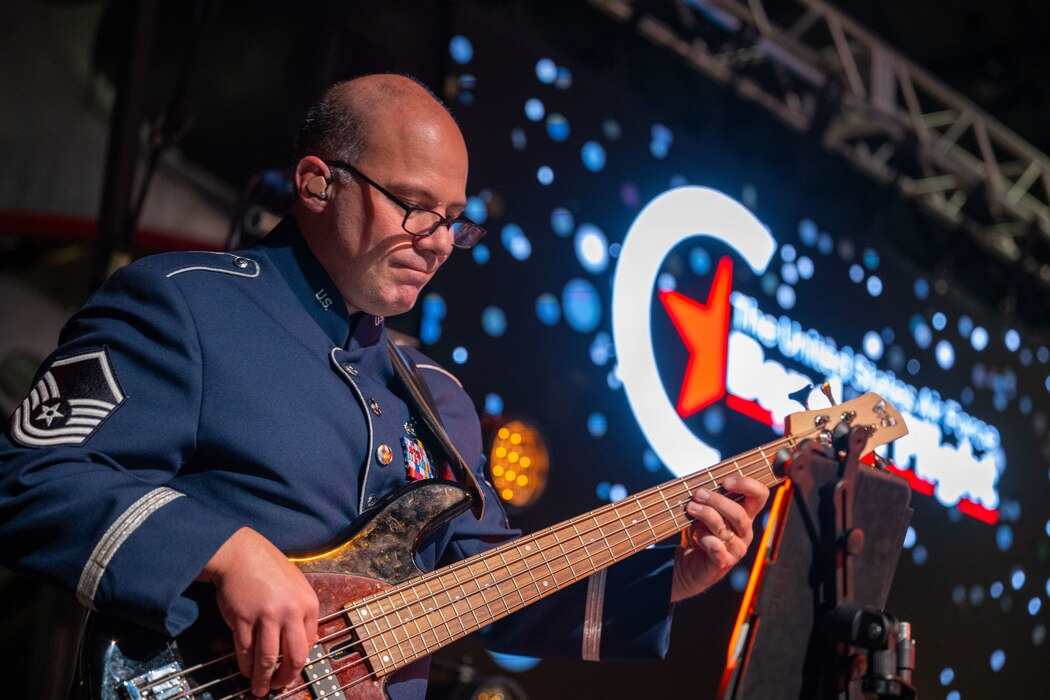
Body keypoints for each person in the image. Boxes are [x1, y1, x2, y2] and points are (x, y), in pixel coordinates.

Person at [0, 74, 769, 699]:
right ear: (317, 182)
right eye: (414, 206)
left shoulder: (439, 397)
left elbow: (490, 594)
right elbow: (31, 476)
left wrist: (671, 580)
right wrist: (227, 552)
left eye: (455, 220)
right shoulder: (190, 304)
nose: (439, 243)